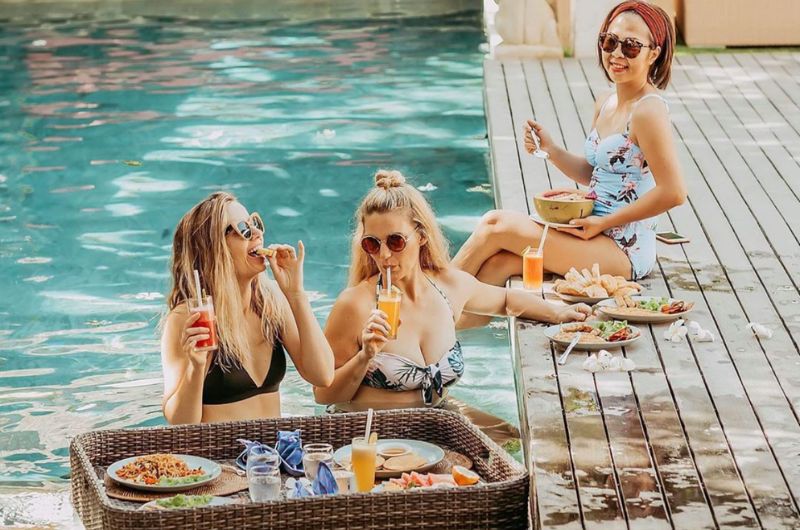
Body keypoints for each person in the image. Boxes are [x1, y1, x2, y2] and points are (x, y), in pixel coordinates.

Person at [452, 0, 686, 327]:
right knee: (499, 264)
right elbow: (595, 174)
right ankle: (438, 338)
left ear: (653, 53)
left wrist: (604, 223)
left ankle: (421, 306)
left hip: (623, 250)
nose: (617, 54)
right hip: (592, 231)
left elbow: (674, 192)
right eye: (610, 41)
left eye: (631, 46)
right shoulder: (606, 100)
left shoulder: (648, 111)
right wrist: (552, 150)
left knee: (495, 225)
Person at [314, 170, 591, 441]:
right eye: (373, 244)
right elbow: (324, 394)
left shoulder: (448, 287)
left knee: (515, 440)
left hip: (436, 419)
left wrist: (559, 313)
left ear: (421, 236)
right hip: (372, 433)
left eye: (396, 241)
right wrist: (365, 356)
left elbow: (507, 301)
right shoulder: (354, 305)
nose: (385, 254)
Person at [160, 192, 334, 424]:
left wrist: (296, 295)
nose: (258, 233)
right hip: (217, 458)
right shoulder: (190, 317)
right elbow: (180, 424)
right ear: (214, 248)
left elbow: (323, 375)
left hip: (271, 456)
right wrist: (196, 366)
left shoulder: (270, 300)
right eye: (244, 229)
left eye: (255, 223)